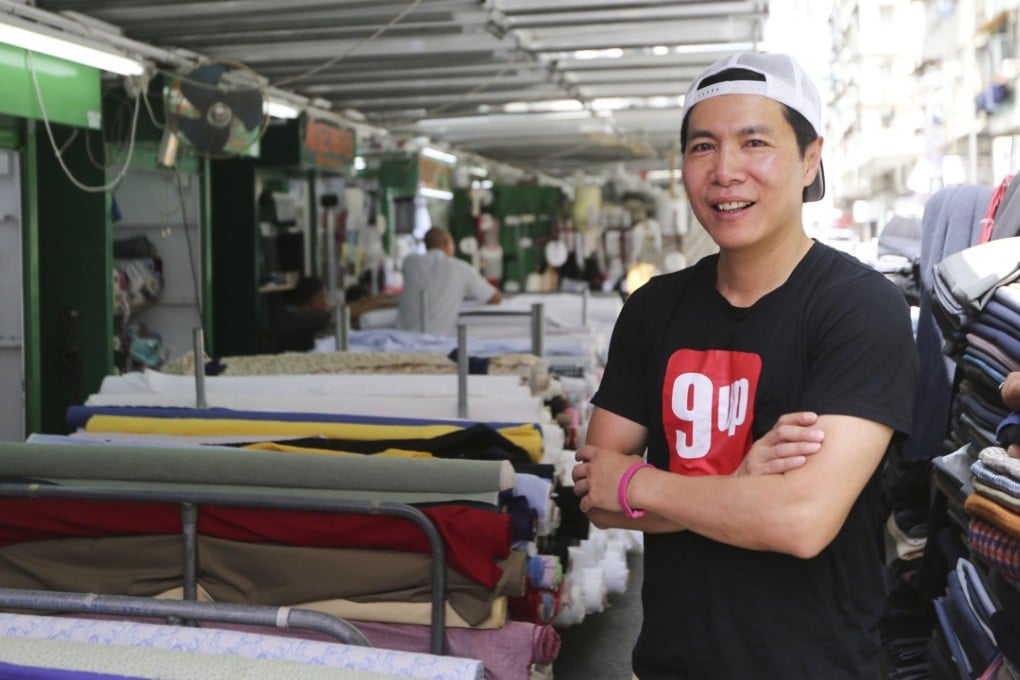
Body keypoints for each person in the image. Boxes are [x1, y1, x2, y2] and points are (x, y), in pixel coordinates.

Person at [571, 51, 918, 679]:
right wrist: (738, 483)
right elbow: (596, 496)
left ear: (810, 158)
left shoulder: (860, 308)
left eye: (754, 142)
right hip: (671, 664)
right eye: (702, 146)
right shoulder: (653, 309)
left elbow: (801, 521)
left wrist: (643, 483)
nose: (725, 171)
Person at [396, 227, 502, 336]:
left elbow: (428, 285)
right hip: (435, 345)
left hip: (401, 340)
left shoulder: (409, 262)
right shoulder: (461, 268)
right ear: (447, 243)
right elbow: (495, 297)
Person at [271, 275, 332, 352]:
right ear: (314, 299)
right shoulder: (293, 323)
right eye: (324, 298)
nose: (326, 304)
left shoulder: (296, 320)